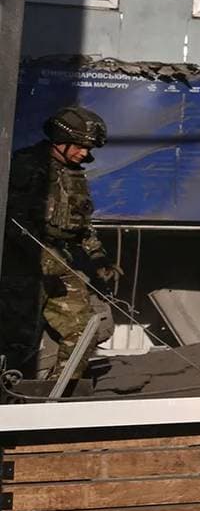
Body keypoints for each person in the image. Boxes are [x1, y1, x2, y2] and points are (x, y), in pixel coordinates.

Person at [3, 105, 116, 379]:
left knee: (84, 329)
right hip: (21, 266)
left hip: (58, 264)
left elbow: (81, 225)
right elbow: (11, 220)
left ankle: (56, 391)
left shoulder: (74, 174)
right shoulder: (26, 166)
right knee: (19, 338)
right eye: (80, 146)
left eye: (88, 148)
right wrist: (39, 254)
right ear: (60, 140)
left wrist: (99, 258)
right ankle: (9, 391)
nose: (84, 153)